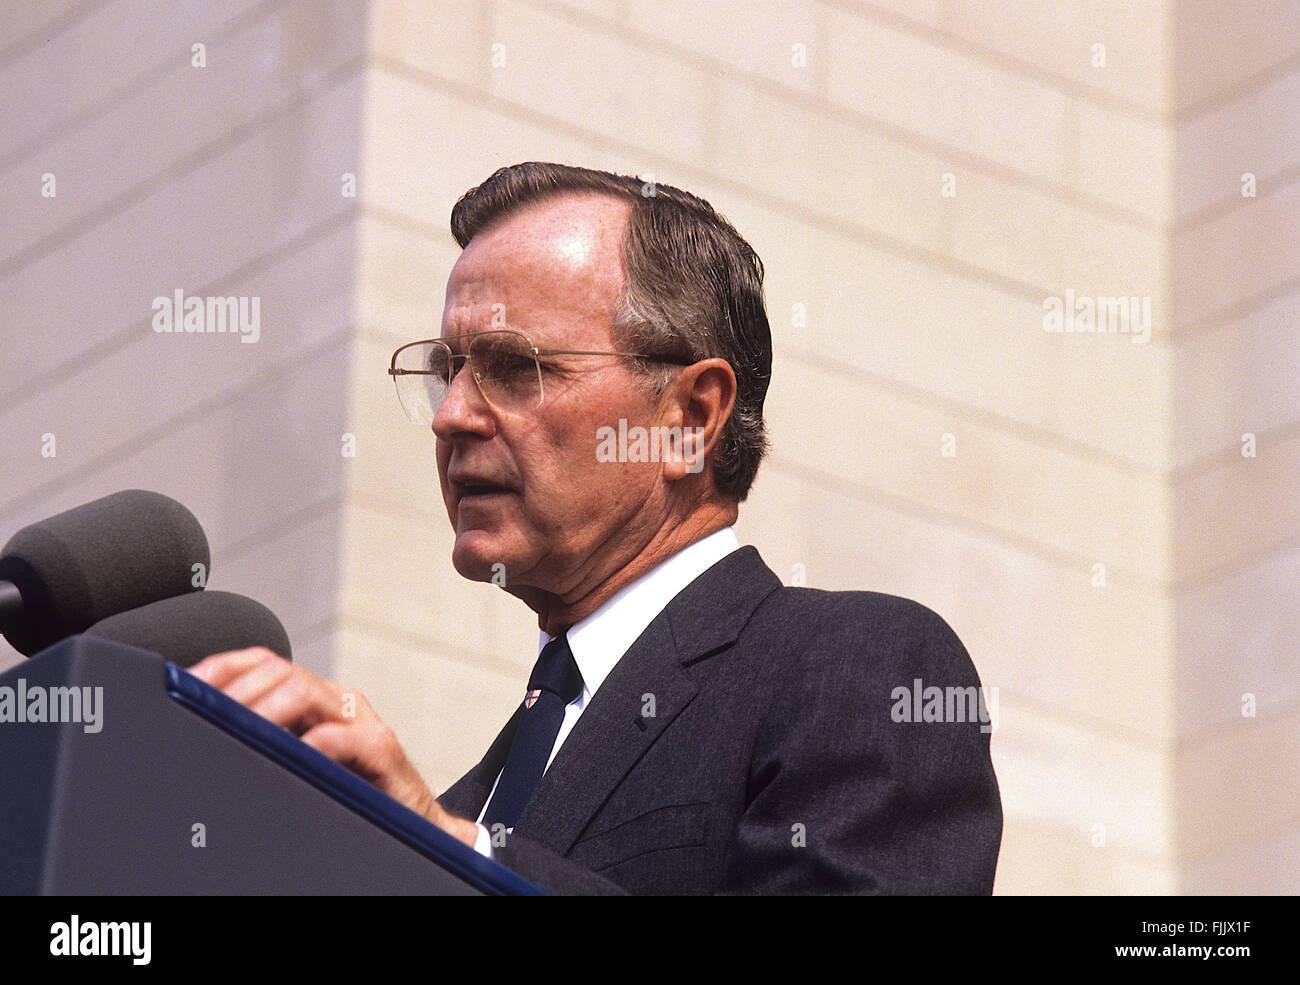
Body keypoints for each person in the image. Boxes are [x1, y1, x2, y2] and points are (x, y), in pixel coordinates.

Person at [192, 162, 1002, 894]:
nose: (452, 416)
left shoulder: (859, 666)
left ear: (689, 417)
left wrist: (460, 859)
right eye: (448, 370)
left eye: (514, 366)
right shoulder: (466, 801)